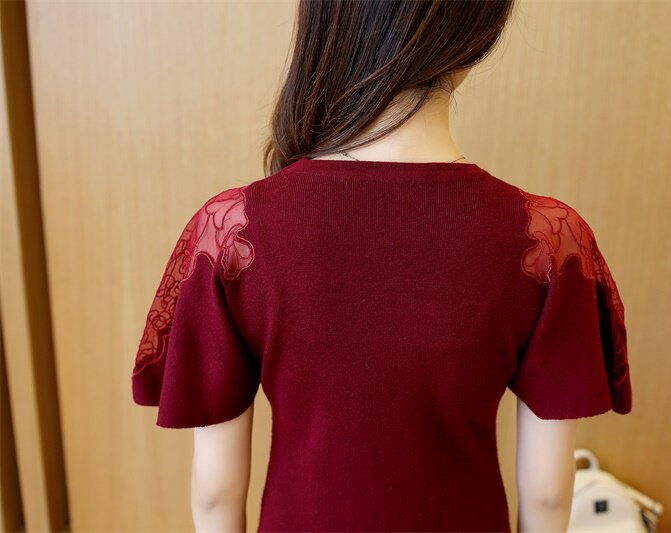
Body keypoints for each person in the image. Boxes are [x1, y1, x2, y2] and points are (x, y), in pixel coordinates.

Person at [131, 1, 632, 532]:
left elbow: (215, 494)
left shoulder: (229, 232)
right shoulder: (549, 240)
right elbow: (548, 496)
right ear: (478, 35)